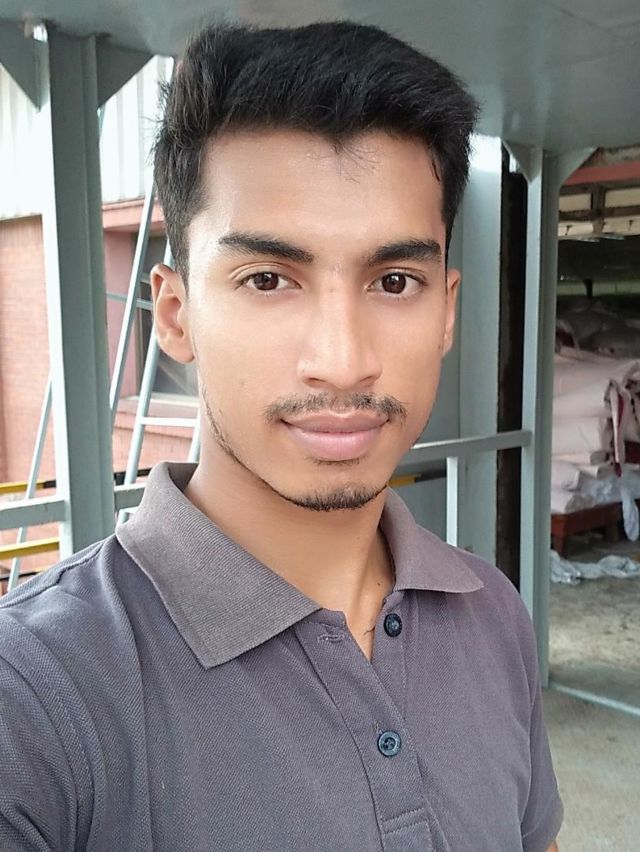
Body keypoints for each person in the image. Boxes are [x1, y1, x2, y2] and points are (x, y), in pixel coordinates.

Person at [0, 20, 563, 852]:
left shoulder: (495, 615)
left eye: (394, 281)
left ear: (447, 311)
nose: (342, 361)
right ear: (176, 313)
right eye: (268, 279)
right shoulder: (35, 696)